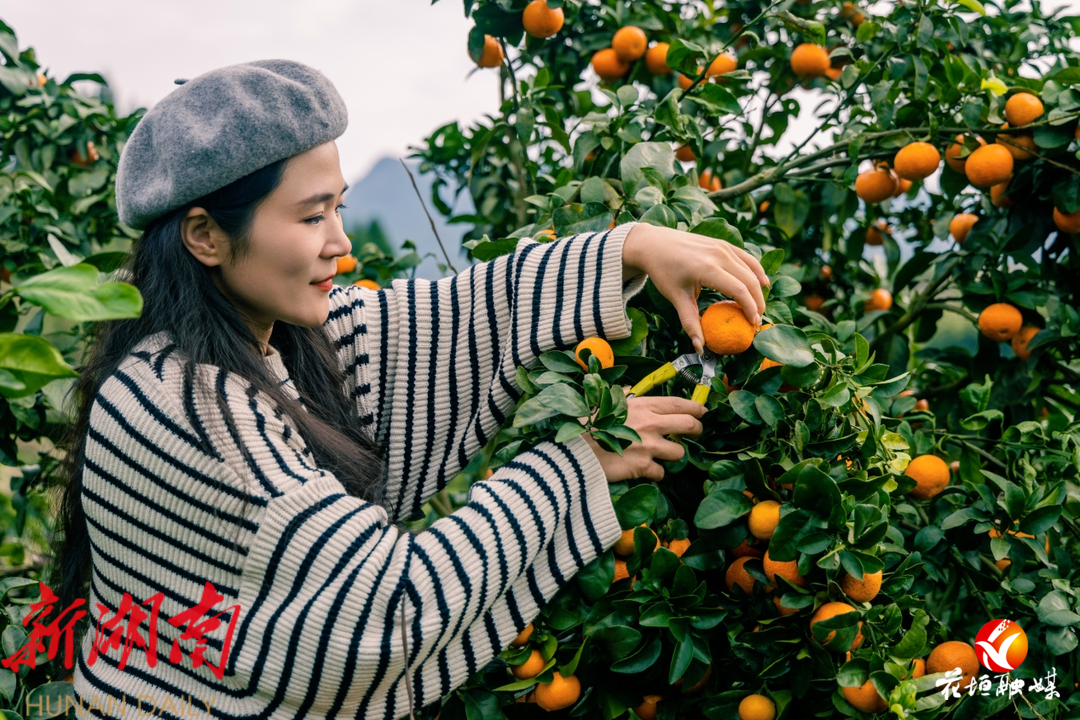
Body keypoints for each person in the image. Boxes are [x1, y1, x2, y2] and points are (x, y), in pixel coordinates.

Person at [45, 59, 767, 720]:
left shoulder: (272, 338)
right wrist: (576, 469)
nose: (340, 242)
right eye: (311, 216)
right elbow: (385, 608)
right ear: (204, 235)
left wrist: (632, 247)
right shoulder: (185, 411)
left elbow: (451, 319)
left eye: (338, 207)